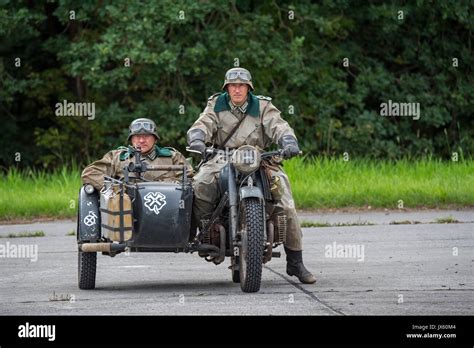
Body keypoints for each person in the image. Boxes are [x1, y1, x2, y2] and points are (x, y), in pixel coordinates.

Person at [187, 67, 316, 284]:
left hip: (260, 157)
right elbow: (202, 124)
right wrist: (198, 139)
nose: (237, 89)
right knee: (200, 184)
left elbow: (279, 126)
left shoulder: (263, 106)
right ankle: (209, 231)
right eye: (233, 85)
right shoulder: (216, 104)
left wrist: (288, 141)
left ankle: (295, 262)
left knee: (286, 202)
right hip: (222, 156)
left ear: (249, 87)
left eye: (241, 85)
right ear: (227, 87)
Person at [82, 118, 192, 189]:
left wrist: (164, 184)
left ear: (155, 139)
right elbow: (90, 173)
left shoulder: (172, 156)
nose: (141, 141)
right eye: (137, 136)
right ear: (131, 139)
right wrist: (116, 188)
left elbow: (190, 179)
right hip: (127, 214)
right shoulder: (118, 157)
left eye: (147, 136)